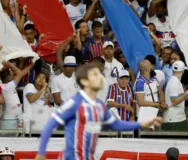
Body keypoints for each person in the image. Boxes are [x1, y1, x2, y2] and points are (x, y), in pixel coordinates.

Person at [34, 62, 163, 160]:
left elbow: (116, 124)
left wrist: (141, 124)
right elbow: (50, 124)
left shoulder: (100, 106)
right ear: (85, 81)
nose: (100, 77)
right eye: (95, 75)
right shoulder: (75, 103)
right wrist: (40, 153)